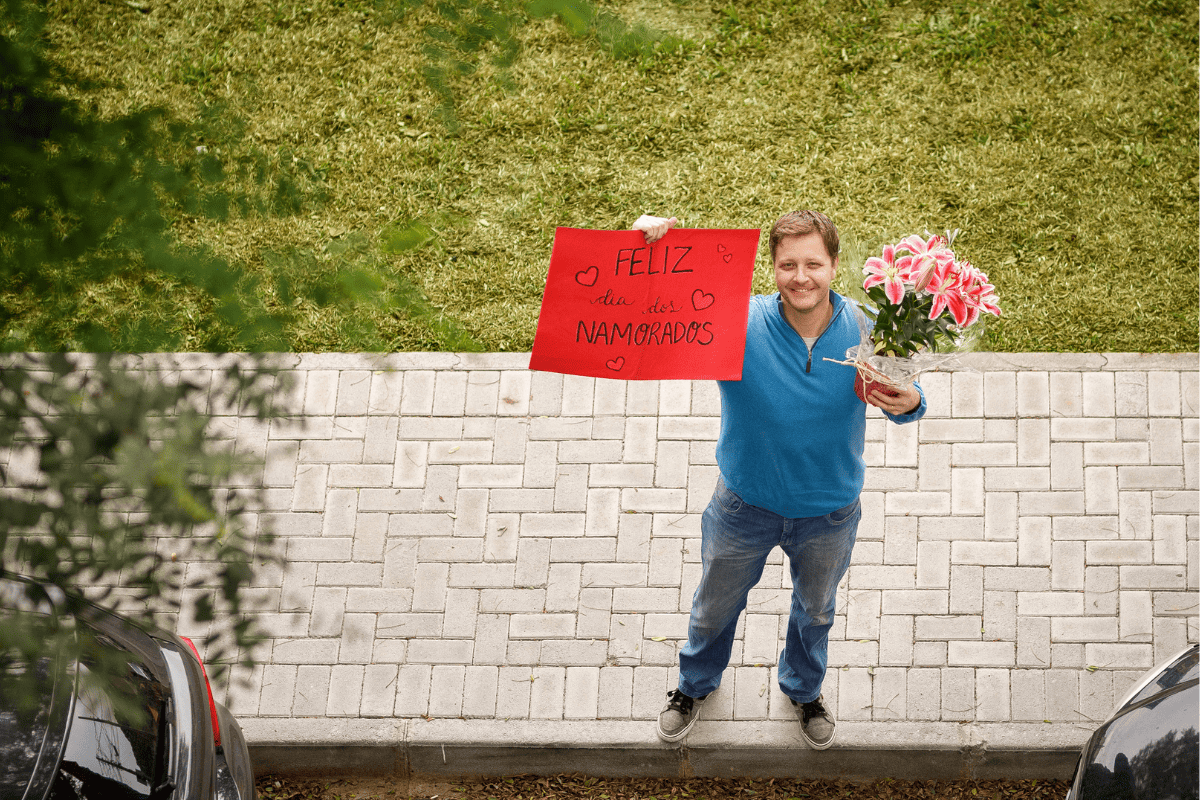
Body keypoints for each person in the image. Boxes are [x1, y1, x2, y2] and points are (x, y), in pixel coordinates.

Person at [633, 211, 926, 749]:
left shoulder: (871, 329)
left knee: (815, 611)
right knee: (714, 606)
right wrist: (651, 246)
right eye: (787, 264)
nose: (801, 276)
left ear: (835, 265)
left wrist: (912, 404)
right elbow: (658, 311)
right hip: (743, 507)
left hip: (830, 512)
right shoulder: (733, 325)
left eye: (813, 263)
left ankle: (804, 688)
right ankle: (693, 686)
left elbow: (903, 395)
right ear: (772, 269)